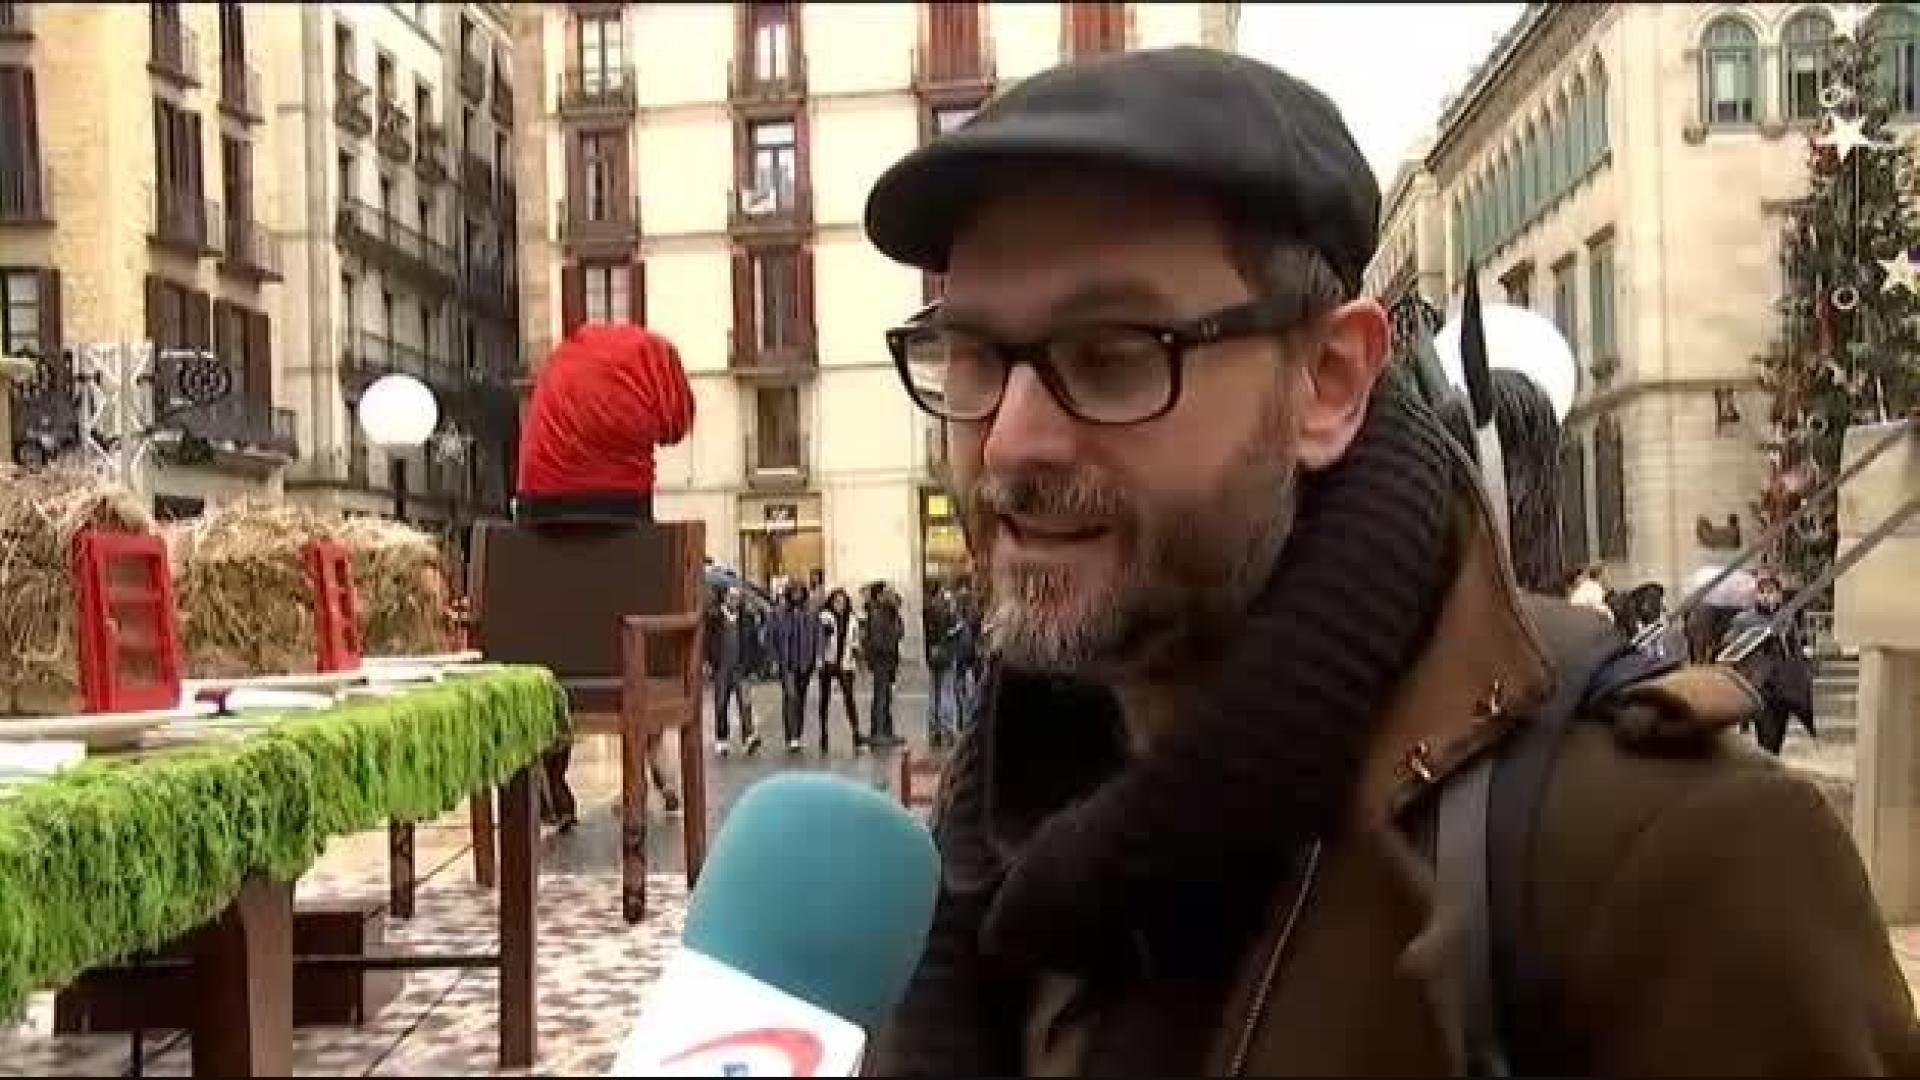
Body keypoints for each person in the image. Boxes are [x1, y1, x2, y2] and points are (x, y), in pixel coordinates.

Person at [861, 46, 1915, 1075]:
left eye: (1116, 354)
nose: (1011, 440)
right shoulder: (992, 840)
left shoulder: (1672, 864)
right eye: (976, 356)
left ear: (1327, 381)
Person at [1724, 571, 1817, 755]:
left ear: (1779, 595)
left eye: (1771, 591)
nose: (1767, 596)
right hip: (1760, 686)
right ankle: (1766, 772)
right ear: (1757, 595)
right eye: (1763, 592)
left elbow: (1795, 648)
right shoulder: (1744, 619)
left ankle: (1771, 765)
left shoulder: (1786, 617)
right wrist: (1755, 639)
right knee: (1766, 736)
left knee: (1777, 740)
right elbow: (1730, 647)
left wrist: (1804, 665)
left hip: (1783, 685)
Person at [704, 585, 764, 757]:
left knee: (745, 704)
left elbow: (754, 644)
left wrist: (754, 667)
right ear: (725, 598)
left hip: (741, 668)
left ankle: (749, 737)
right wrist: (707, 661)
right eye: (731, 597)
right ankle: (722, 739)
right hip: (721, 667)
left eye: (737, 598)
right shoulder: (714, 617)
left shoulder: (747, 618)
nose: (734, 601)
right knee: (721, 704)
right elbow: (706, 641)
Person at [765, 581, 820, 754]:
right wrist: (773, 660)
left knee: (801, 700)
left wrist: (817, 657)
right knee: (791, 697)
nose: (797, 595)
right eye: (794, 592)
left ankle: (797, 733)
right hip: (786, 663)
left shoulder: (811, 613)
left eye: (800, 592)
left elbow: (818, 636)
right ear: (789, 594)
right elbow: (770, 638)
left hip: (805, 663)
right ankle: (792, 737)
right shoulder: (778, 614)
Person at [816, 587, 865, 754]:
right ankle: (823, 732)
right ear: (832, 602)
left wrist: (858, 659)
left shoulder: (852, 619)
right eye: (837, 602)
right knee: (824, 700)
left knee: (849, 697)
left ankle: (856, 733)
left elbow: (856, 641)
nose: (840, 605)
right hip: (828, 662)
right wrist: (820, 658)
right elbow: (820, 638)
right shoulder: (825, 617)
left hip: (845, 662)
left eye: (842, 602)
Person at [861, 583, 907, 747]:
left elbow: (900, 632)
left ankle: (886, 730)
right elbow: (878, 640)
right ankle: (878, 731)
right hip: (882, 660)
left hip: (889, 660)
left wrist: (896, 621)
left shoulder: (891, 614)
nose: (894, 598)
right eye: (890, 594)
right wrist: (889, 643)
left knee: (886, 697)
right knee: (881, 696)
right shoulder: (877, 614)